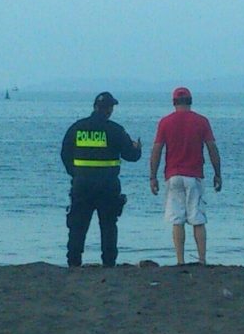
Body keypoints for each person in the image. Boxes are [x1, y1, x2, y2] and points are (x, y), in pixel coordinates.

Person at [61, 92, 142, 267]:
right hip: (108, 186)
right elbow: (131, 155)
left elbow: (65, 154)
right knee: (108, 225)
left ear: (95, 107)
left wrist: (76, 174)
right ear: (109, 110)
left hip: (82, 185)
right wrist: (138, 148)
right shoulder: (115, 130)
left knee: (78, 225)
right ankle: (108, 262)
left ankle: (74, 262)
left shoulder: (77, 128)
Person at [149, 87, 222, 265]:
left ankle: (180, 259)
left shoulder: (165, 122)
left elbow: (157, 150)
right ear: (190, 101)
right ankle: (202, 259)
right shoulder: (202, 121)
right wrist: (217, 173)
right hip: (194, 174)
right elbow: (212, 148)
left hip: (173, 174)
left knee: (177, 219)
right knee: (197, 219)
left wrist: (153, 176)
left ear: (174, 102)